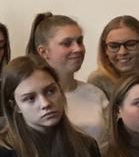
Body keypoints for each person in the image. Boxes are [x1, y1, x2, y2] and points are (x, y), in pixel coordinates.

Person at [29, 13, 110, 143]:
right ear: (44, 52)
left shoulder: (95, 94)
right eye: (67, 43)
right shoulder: (33, 99)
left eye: (80, 41)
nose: (77, 49)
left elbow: (109, 143)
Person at [90, 15, 139, 94]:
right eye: (114, 46)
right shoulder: (97, 84)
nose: (122, 52)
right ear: (105, 50)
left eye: (131, 44)